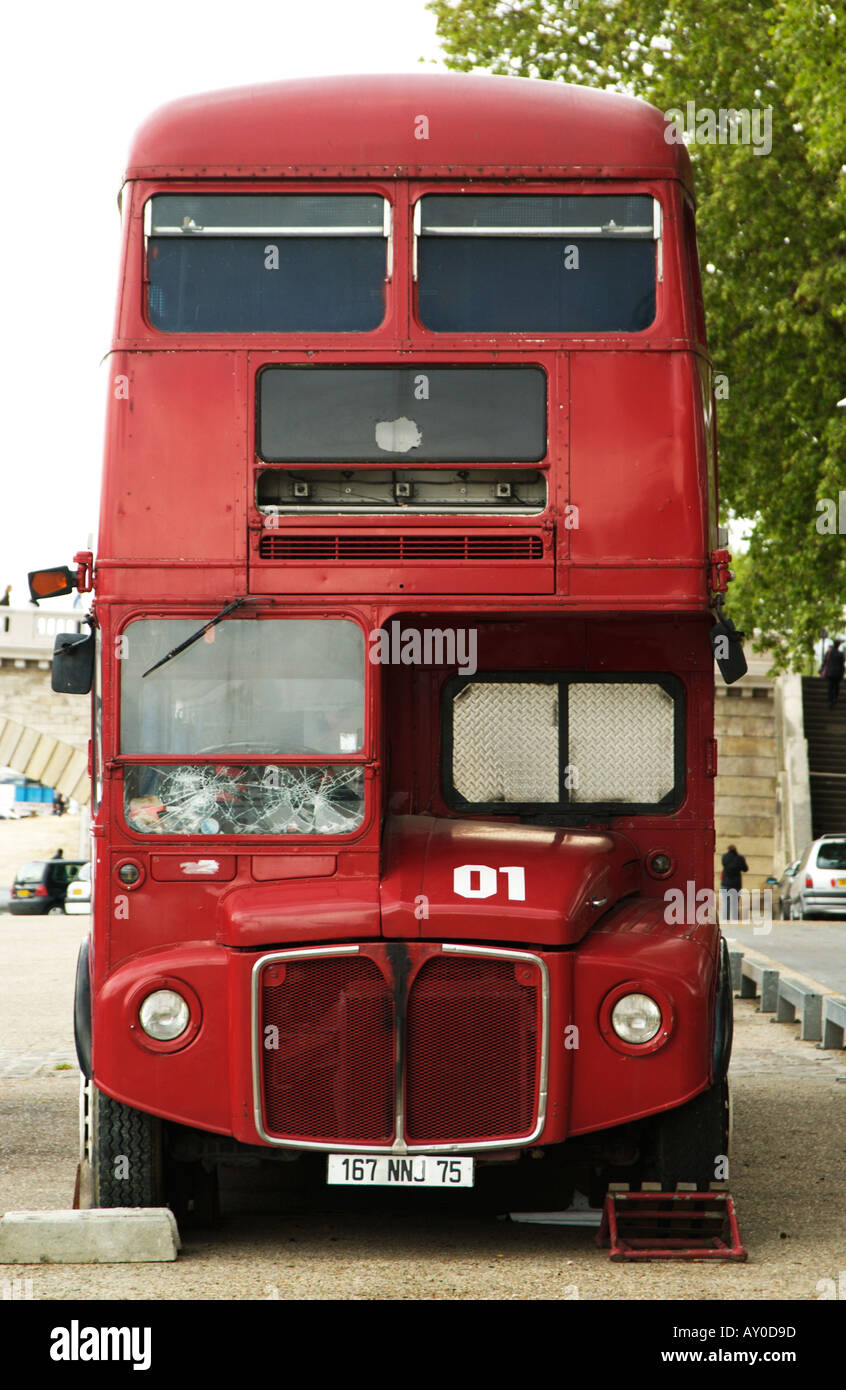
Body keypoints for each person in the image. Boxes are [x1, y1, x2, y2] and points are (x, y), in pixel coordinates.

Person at [720, 844, 748, 922]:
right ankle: (735, 919)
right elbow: (745, 869)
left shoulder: (724, 857)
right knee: (735, 902)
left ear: (728, 849)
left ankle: (726, 919)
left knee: (726, 902)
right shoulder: (740, 858)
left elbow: (724, 864)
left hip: (725, 883)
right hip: (736, 884)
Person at [820, 638, 844, 709]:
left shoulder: (829, 653)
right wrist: (842, 673)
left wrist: (821, 670)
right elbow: (842, 665)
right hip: (838, 673)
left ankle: (830, 700)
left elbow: (825, 662)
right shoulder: (840, 654)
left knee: (830, 686)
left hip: (830, 672)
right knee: (836, 686)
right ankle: (835, 698)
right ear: (838, 645)